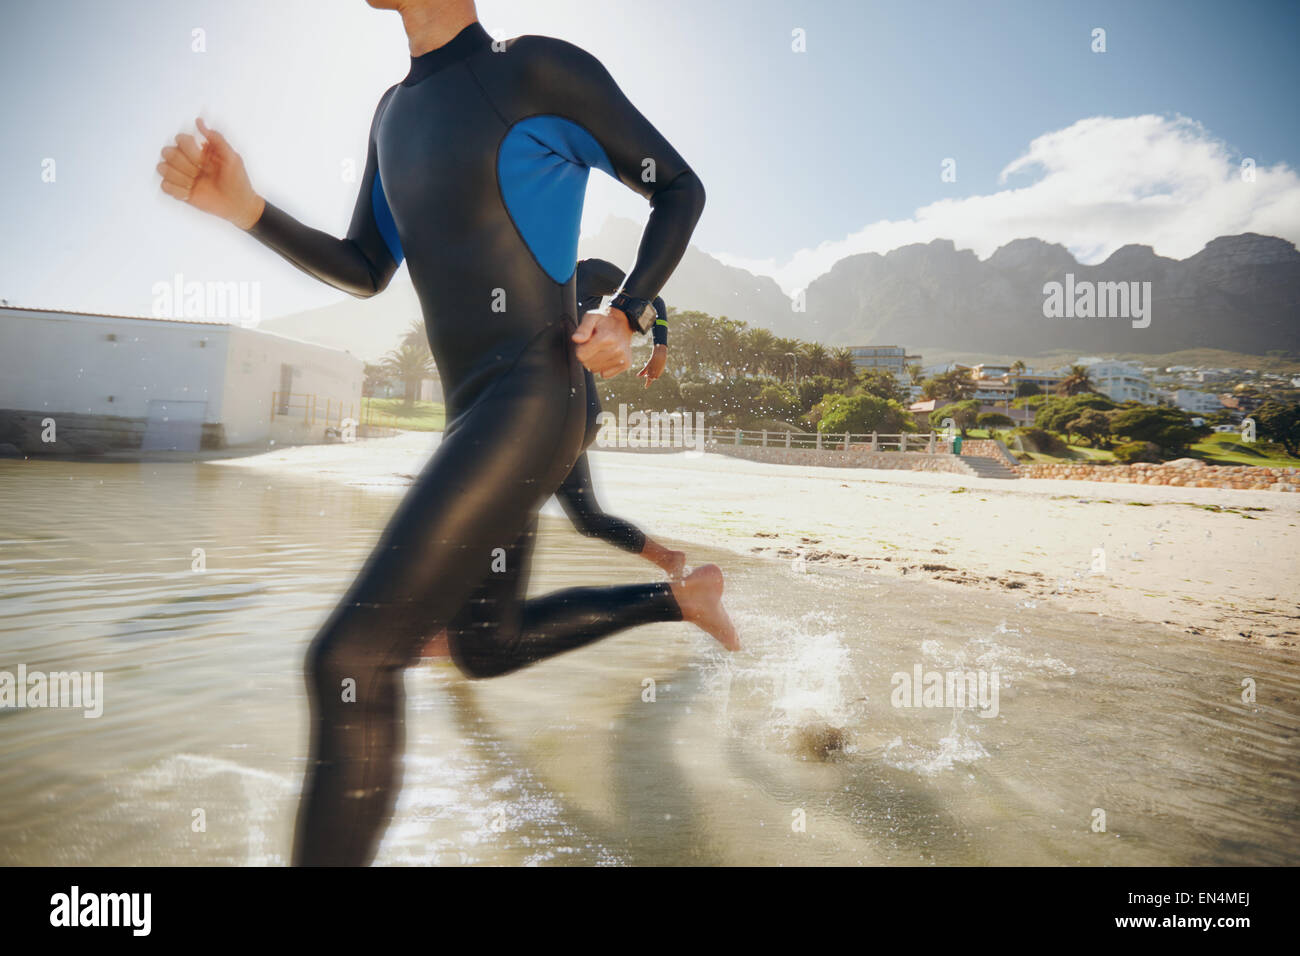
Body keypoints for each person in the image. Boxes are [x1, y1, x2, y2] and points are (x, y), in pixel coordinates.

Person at [157, 0, 737, 867]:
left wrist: (629, 311)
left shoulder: (533, 69)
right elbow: (364, 266)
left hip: (537, 392)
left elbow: (678, 187)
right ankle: (678, 599)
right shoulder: (394, 113)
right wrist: (247, 210)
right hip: (476, 411)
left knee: (348, 661)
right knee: (483, 647)